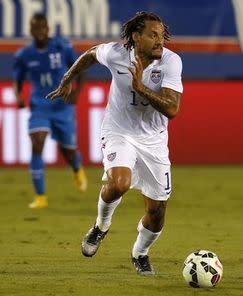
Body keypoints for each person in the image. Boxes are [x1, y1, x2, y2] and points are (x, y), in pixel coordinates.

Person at [47, 11, 183, 276]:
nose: (160, 42)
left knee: (156, 211)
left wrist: (140, 87)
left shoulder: (170, 62)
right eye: (153, 35)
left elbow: (173, 109)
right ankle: (101, 226)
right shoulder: (116, 54)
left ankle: (140, 253)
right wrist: (68, 78)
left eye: (162, 36)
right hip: (119, 131)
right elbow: (90, 54)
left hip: (154, 141)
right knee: (118, 183)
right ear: (136, 37)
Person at [13, 13, 87, 209]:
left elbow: (80, 68)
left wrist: (77, 93)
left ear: (47, 29)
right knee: (37, 143)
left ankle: (77, 168)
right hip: (40, 106)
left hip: (62, 107)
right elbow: (18, 82)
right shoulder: (24, 55)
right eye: (35, 28)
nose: (39, 31)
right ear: (31, 30)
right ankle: (41, 197)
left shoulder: (62, 47)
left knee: (68, 152)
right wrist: (18, 96)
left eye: (42, 27)